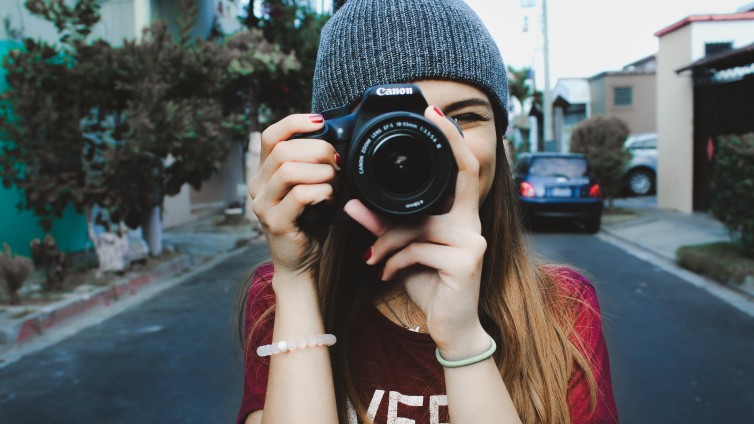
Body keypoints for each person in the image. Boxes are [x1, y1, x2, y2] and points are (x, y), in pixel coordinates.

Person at [237, 1, 619, 423]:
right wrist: (295, 279)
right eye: (396, 123)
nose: (433, 141)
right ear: (331, 145)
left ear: (499, 138)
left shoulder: (564, 307)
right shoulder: (283, 294)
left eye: (465, 117)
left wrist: (463, 339)